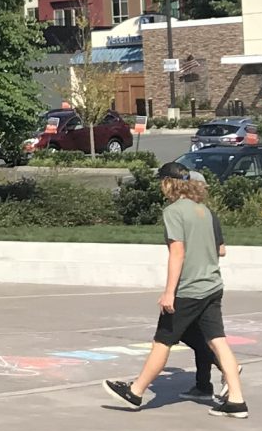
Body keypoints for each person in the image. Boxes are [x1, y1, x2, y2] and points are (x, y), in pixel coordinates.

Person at [106, 165, 247, 416]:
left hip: (188, 290)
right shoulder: (203, 210)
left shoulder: (174, 211)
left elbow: (177, 253)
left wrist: (169, 291)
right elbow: (218, 249)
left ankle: (135, 392)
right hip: (212, 286)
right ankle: (236, 400)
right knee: (217, 341)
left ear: (168, 183)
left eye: (162, 182)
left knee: (163, 341)